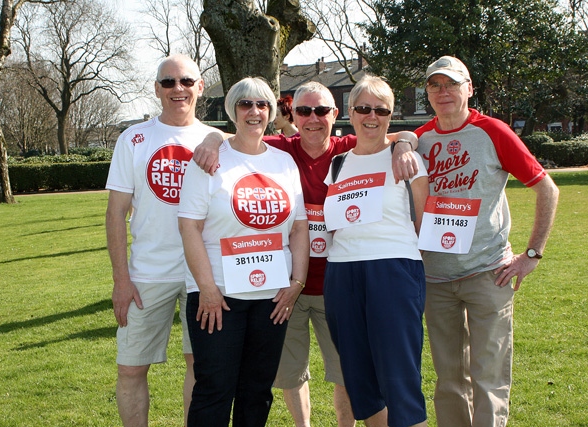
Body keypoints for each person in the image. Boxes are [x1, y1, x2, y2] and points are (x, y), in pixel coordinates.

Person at [193, 81, 420, 427]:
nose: (313, 119)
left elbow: (395, 130)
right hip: (284, 289)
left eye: (321, 111)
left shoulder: (350, 148)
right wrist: (212, 137)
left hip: (338, 284)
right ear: (291, 115)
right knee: (288, 375)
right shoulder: (278, 150)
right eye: (303, 111)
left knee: (347, 371)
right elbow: (239, 137)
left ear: (336, 115)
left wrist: (405, 142)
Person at [414, 56, 560, 426]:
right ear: (427, 92)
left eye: (452, 84)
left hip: (488, 273)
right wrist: (401, 142)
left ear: (469, 89)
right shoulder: (419, 139)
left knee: (489, 377)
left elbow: (547, 188)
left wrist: (531, 254)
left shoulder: (491, 131)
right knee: (449, 381)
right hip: (435, 279)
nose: (443, 92)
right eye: (435, 85)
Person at [178, 76, 310, 427]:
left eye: (262, 104)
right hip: (218, 297)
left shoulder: (284, 163)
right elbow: (189, 226)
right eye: (245, 104)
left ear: (271, 111)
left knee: (257, 391)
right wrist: (206, 288)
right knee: (214, 390)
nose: (254, 111)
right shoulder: (209, 159)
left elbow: (298, 227)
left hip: (272, 299)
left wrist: (297, 282)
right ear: (232, 110)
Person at [105, 53, 219, 427]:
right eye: (168, 82)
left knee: (198, 366)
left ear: (200, 87)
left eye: (186, 81)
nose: (178, 89)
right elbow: (115, 214)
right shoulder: (133, 139)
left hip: (201, 275)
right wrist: (121, 279)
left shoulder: (218, 142)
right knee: (131, 368)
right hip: (146, 275)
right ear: (156, 89)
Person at [321, 75, 429, 427]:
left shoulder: (406, 159)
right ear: (349, 113)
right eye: (363, 108)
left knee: (399, 375)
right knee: (358, 376)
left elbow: (422, 222)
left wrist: (403, 143)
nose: (372, 116)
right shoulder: (337, 164)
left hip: (393, 269)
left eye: (380, 110)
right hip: (342, 272)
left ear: (390, 114)